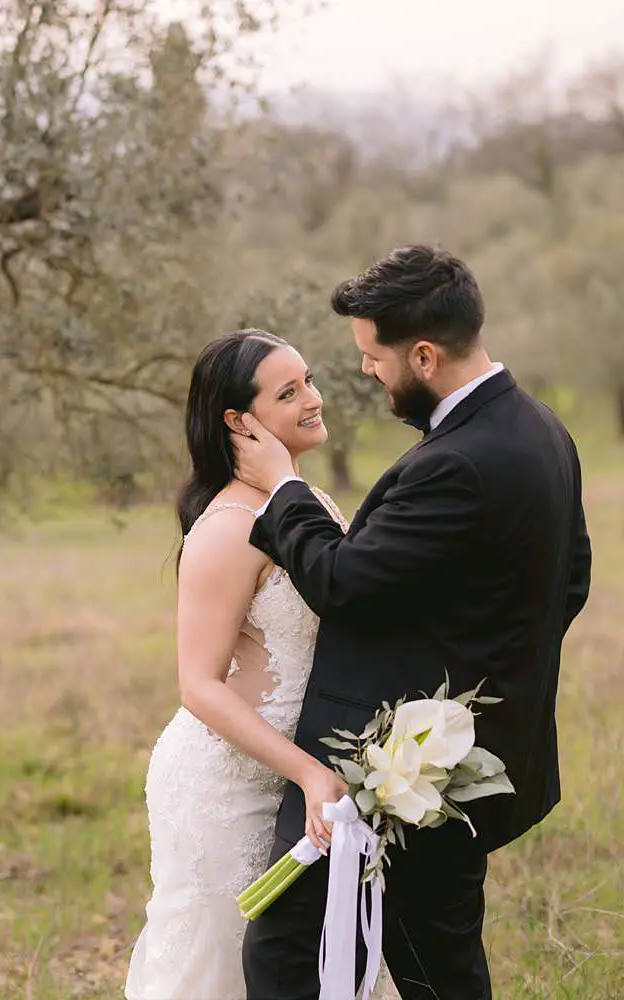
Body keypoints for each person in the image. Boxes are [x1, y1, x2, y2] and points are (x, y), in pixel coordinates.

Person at [234, 245, 593, 1000]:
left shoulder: (454, 464)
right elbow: (572, 580)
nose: (366, 371)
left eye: (374, 356)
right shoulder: (543, 429)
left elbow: (344, 581)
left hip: (418, 782)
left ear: (423, 355)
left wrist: (282, 489)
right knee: (439, 963)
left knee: (357, 963)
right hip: (466, 766)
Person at [124, 329, 400, 999]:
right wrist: (307, 772)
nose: (314, 398)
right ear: (237, 420)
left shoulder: (301, 500)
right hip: (231, 784)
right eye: (289, 392)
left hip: (302, 776)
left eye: (308, 380)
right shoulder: (225, 529)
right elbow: (197, 685)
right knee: (223, 967)